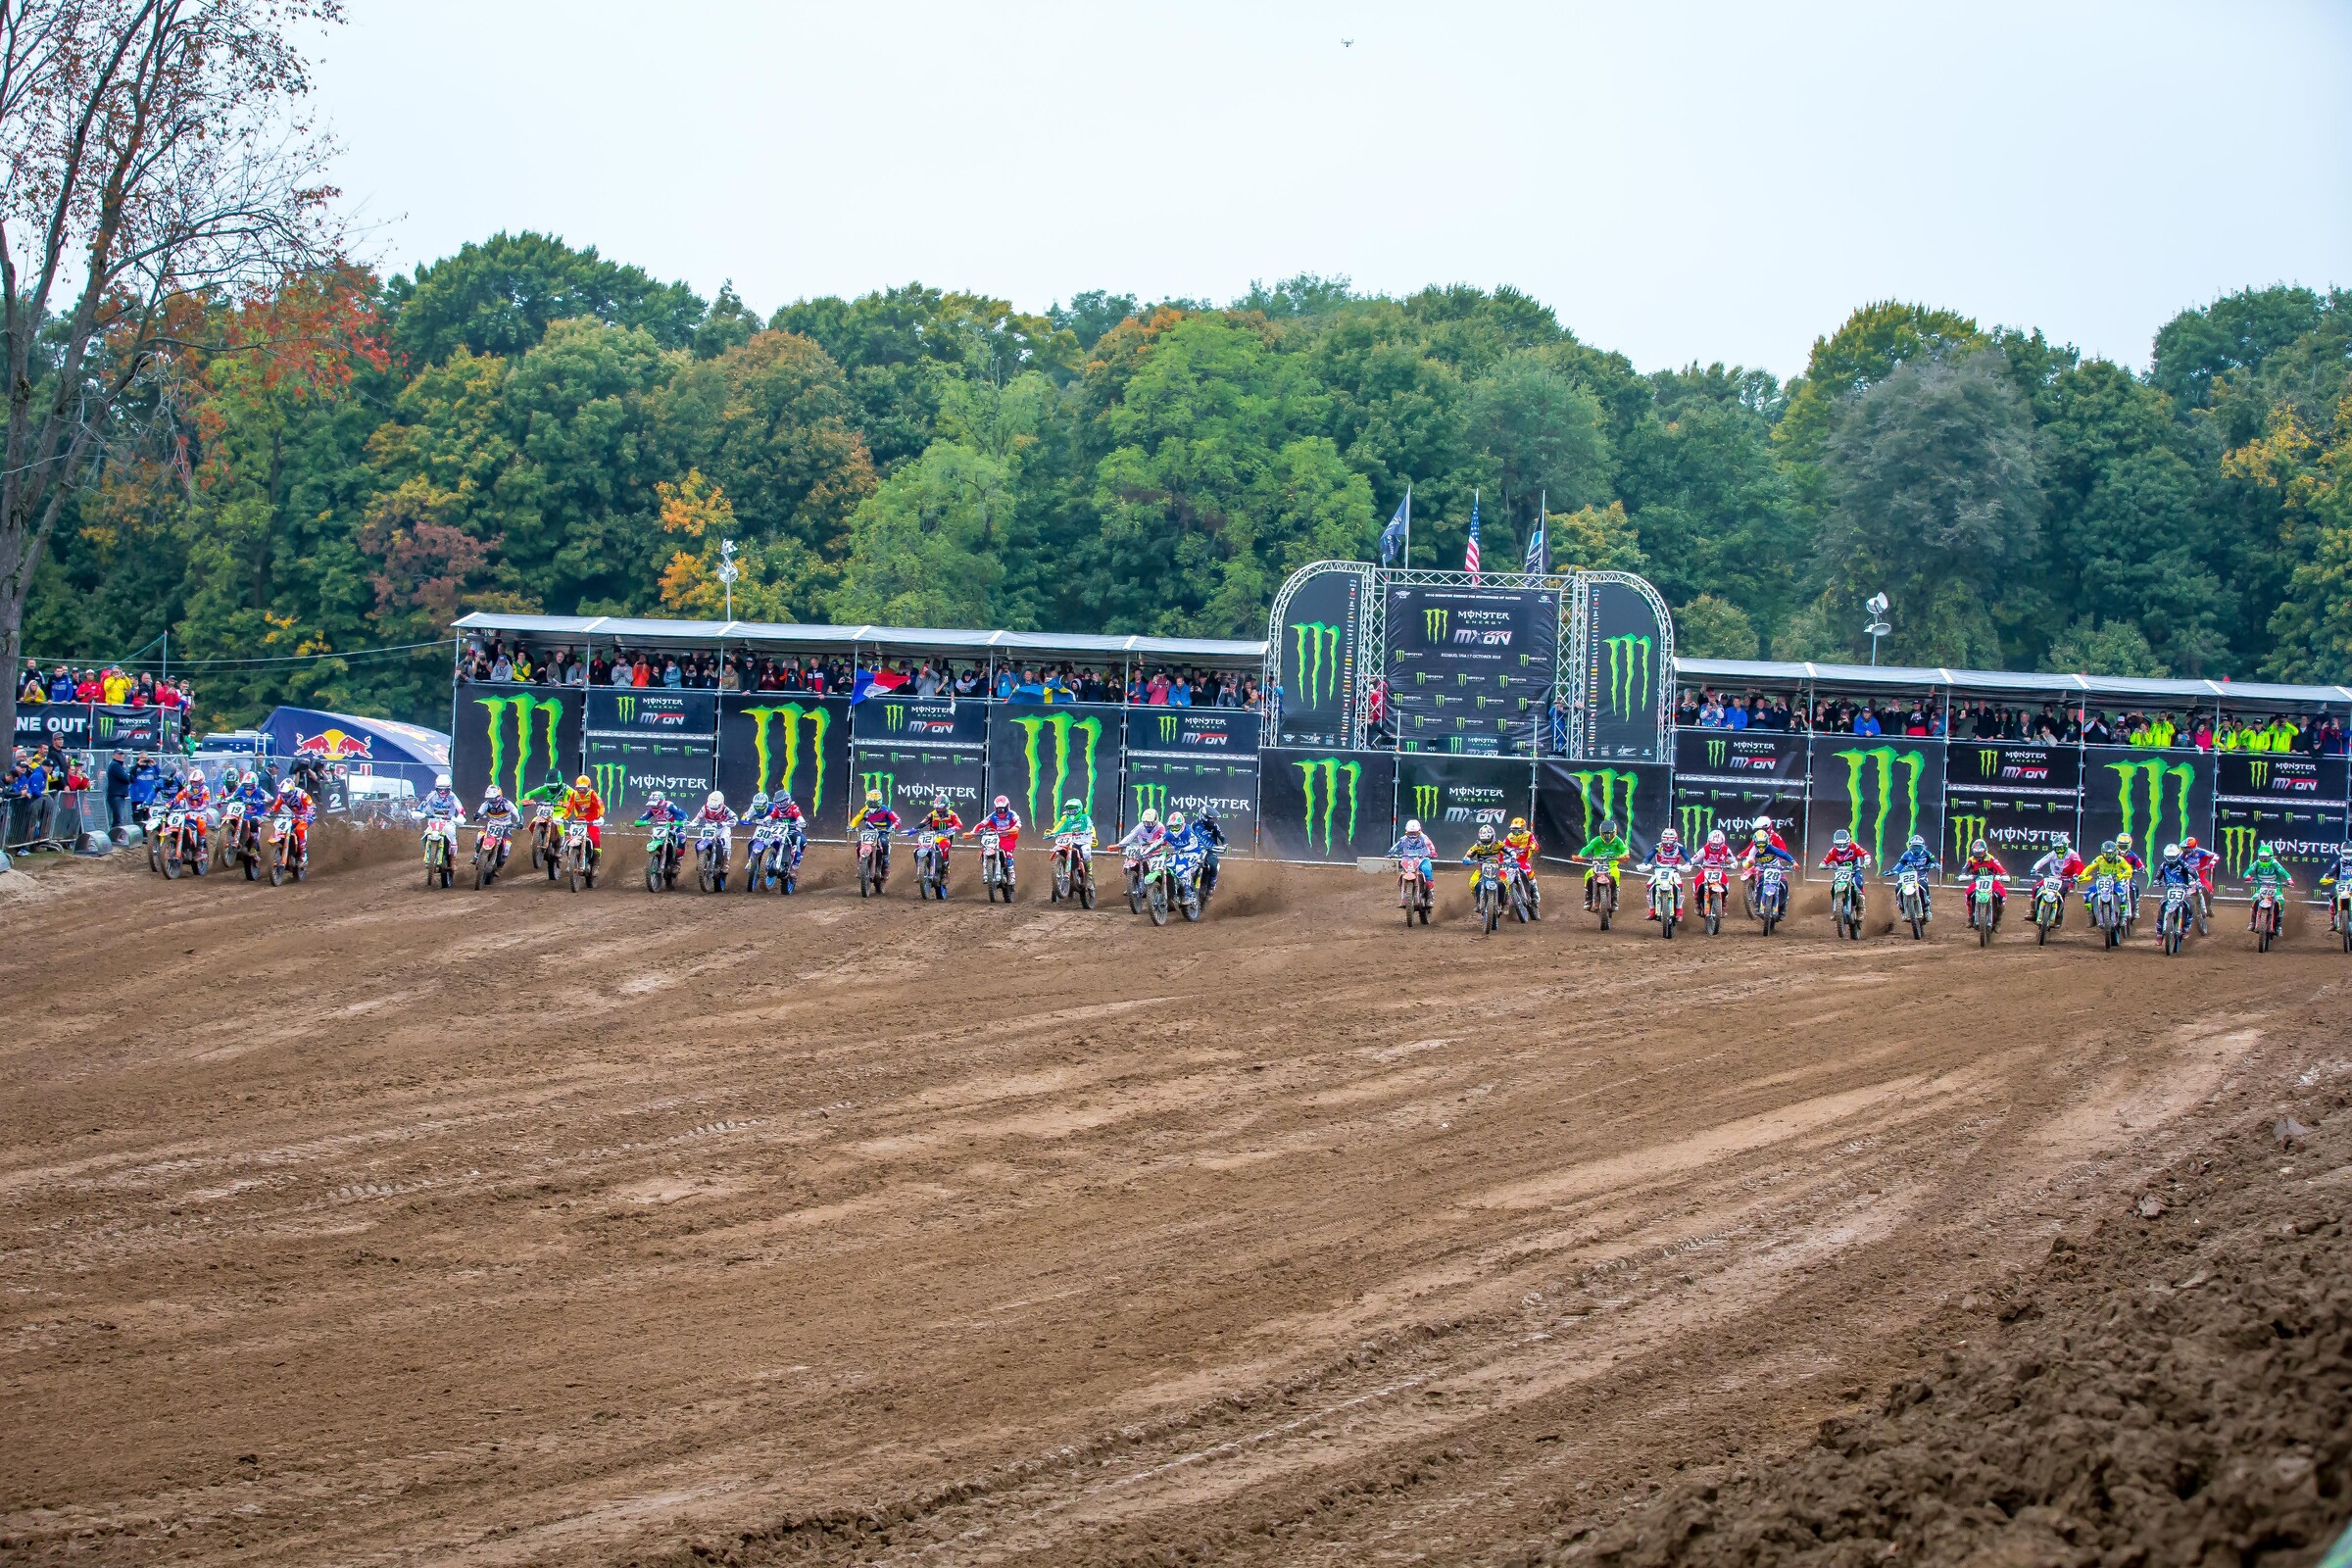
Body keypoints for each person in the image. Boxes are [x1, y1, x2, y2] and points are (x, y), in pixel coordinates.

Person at [1573, 815, 1633, 910]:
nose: (1607, 836)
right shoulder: (1597, 840)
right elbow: (1587, 848)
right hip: (1598, 863)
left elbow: (1624, 849)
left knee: (1615, 874)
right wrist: (1580, 855)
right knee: (1588, 875)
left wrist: (1624, 855)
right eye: (1605, 834)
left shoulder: (1617, 840)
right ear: (1601, 833)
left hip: (1612, 864)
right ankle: (1588, 898)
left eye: (1610, 834)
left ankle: (1614, 899)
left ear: (1614, 832)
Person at [969, 794, 1023, 890]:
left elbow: (1018, 823)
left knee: (1008, 852)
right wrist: (973, 832)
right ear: (995, 808)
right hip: (994, 838)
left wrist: (1015, 828)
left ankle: (1011, 874)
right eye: (999, 809)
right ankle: (987, 871)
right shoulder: (992, 816)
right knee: (985, 850)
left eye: (1003, 809)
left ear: (1007, 807)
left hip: (1008, 838)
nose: (1001, 812)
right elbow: (981, 824)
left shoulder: (1012, 814)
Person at [2029, 837, 2085, 924]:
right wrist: (2034, 869)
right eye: (2057, 848)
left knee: (2061, 892)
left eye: (2061, 848)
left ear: (2066, 847)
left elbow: (2080, 866)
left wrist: (2076, 875)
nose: (2059, 850)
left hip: (2067, 879)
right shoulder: (2052, 854)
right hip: (2053, 877)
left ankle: (2059, 916)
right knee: (2036, 887)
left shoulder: (2072, 854)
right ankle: (2032, 911)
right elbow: (2042, 861)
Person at [1886, 833, 1939, 919]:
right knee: (1898, 886)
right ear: (1910, 846)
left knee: (1923, 884)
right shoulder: (1907, 854)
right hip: (1908, 876)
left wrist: (1935, 865)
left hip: (1921, 875)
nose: (1916, 849)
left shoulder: (1927, 853)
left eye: (1918, 847)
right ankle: (1902, 908)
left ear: (1923, 846)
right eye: (1914, 847)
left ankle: (1926, 907)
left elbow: (1934, 861)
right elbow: (1901, 863)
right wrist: (1893, 871)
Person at [1955, 837, 2008, 925]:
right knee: (1968, 894)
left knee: (2002, 893)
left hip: (1992, 881)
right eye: (1977, 853)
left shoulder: (1991, 859)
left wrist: (2004, 875)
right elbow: (1964, 869)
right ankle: (1970, 917)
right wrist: (1963, 875)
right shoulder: (1971, 860)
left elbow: (2000, 868)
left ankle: (1998, 919)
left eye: (1980, 853)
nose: (1979, 855)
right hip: (1977, 882)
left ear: (1985, 851)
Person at [850, 788, 901, 877]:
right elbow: (856, 819)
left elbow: (898, 820)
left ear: (880, 802)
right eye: (870, 803)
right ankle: (860, 866)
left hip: (883, 832)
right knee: (858, 843)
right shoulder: (865, 810)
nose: (872, 806)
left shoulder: (886, 810)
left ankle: (885, 865)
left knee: (884, 843)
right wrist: (851, 826)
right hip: (869, 833)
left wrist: (893, 827)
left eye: (875, 803)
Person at [558, 773, 605, 870]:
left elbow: (600, 805)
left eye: (584, 788)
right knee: (571, 837)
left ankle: (595, 864)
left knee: (595, 838)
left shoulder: (592, 794)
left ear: (589, 787)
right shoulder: (574, 795)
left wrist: (600, 817)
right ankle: (570, 859)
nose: (581, 791)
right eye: (579, 788)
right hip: (580, 819)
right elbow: (569, 808)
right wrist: (563, 818)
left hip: (592, 820)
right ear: (576, 788)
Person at [2241, 841, 2293, 928]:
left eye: (2266, 858)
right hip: (2261, 887)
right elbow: (2247, 872)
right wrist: (2248, 877)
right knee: (2254, 899)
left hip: (2275, 888)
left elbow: (2284, 872)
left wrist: (2289, 880)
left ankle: (2278, 925)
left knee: (2281, 901)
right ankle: (2252, 922)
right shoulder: (2257, 863)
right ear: (2259, 857)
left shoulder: (2274, 863)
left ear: (2271, 857)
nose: (2264, 860)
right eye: (2262, 858)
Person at [270, 775, 316, 868]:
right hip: (294, 816)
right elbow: (275, 807)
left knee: (300, 829)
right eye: (282, 794)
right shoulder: (281, 796)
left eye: (286, 794)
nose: (284, 796)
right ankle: (281, 848)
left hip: (307, 815)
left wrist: (309, 813)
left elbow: (312, 805)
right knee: (282, 827)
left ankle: (303, 856)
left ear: (292, 791)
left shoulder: (301, 794)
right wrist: (268, 812)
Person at [1389, 817, 1437, 904]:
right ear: (1406, 832)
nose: (1412, 835)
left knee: (1427, 871)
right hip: (1408, 859)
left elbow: (1430, 844)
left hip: (1422, 859)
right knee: (1402, 875)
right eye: (1410, 833)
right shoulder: (1404, 839)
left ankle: (1430, 896)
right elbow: (1396, 846)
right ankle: (1404, 898)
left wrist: (1433, 852)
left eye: (1415, 833)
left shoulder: (1423, 837)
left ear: (1419, 831)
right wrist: (1390, 853)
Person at [915, 794, 963, 873]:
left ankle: (945, 872)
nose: (939, 809)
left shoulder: (952, 814)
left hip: (945, 837)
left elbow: (959, 824)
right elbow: (923, 822)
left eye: (941, 807)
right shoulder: (932, 814)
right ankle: (920, 869)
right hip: (932, 836)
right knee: (918, 847)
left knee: (944, 847)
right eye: (937, 807)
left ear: (946, 806)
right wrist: (914, 829)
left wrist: (952, 829)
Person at [1693, 827, 1738, 912]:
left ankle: (1724, 904)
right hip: (1706, 869)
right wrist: (1691, 863)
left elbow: (1734, 860)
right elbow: (1694, 858)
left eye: (1717, 845)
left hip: (1719, 870)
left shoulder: (1725, 849)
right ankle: (1697, 903)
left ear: (1722, 843)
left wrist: (1733, 865)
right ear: (1709, 842)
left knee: (1725, 884)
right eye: (1713, 844)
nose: (1715, 847)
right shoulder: (1704, 849)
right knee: (1697, 882)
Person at [1500, 815, 1540, 906]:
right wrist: (1499, 854)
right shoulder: (1510, 837)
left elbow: (1535, 845)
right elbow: (1502, 846)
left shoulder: (1528, 835)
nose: (1516, 833)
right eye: (1514, 830)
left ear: (1523, 829)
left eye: (1518, 830)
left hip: (1522, 859)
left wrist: (1530, 847)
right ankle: (1505, 898)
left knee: (1529, 873)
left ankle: (1535, 893)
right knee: (1504, 875)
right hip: (1511, 860)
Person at [2318, 841, 2352, 932]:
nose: (2348, 855)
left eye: (2350, 853)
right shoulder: (2339, 861)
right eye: (2346, 853)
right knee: (2331, 896)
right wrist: (2326, 876)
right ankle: (2332, 921)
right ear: (2342, 852)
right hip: (2340, 884)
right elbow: (2332, 870)